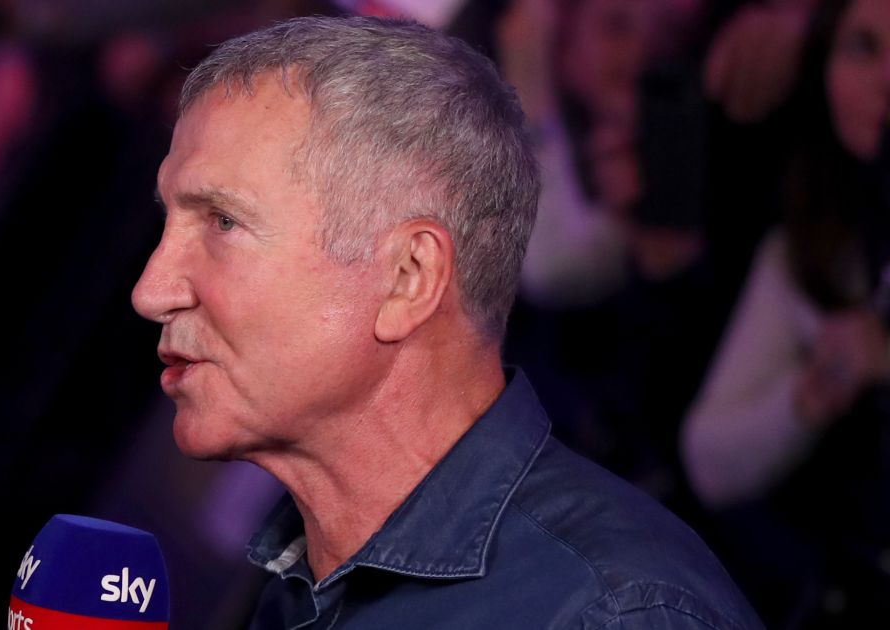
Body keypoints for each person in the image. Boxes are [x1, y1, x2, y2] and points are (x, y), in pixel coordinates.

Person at [132, 15, 763, 629]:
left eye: (223, 223)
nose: (150, 292)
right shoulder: (300, 588)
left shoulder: (612, 613)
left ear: (408, 278)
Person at [681, 0, 890, 625]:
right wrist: (810, 395)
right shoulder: (810, 247)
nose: (888, 79)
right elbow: (709, 459)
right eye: (863, 48)